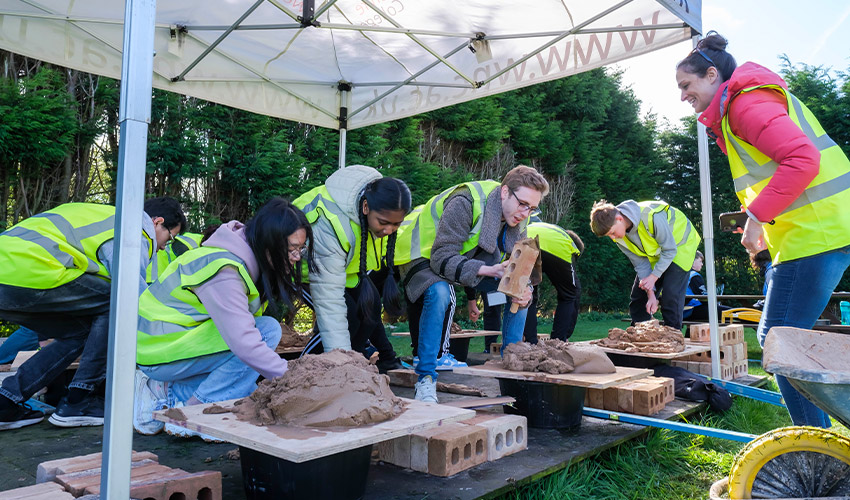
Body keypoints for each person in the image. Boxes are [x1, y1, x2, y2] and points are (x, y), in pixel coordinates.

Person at [675, 33, 850, 427]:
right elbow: (776, 173)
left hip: (815, 236)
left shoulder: (745, 105)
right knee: (786, 338)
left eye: (686, 85)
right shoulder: (743, 104)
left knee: (779, 341)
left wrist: (756, 219)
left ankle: (815, 446)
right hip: (818, 233)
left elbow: (801, 161)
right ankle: (818, 438)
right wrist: (757, 222)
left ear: (712, 74)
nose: (682, 95)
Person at [0, 197, 185, 430]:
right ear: (157, 222)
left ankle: (6, 400)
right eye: (170, 237)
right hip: (31, 270)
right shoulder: (132, 228)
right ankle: (79, 400)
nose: (163, 246)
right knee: (117, 300)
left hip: (10, 274)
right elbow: (130, 293)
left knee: (78, 333)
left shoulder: (101, 216)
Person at [134, 197, 310, 438]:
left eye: (301, 249)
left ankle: (166, 391)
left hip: (166, 345)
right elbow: (245, 343)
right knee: (264, 333)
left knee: (258, 347)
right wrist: (296, 380)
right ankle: (194, 411)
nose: (297, 257)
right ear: (270, 242)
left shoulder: (233, 256)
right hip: (158, 351)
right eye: (291, 249)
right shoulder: (224, 270)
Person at [395, 165, 549, 402]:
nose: (525, 213)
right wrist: (489, 270)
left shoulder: (516, 217)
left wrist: (523, 287)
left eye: (532, 208)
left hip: (457, 258)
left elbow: (515, 265)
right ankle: (425, 379)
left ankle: (513, 369)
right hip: (420, 255)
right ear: (505, 192)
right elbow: (441, 257)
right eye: (522, 204)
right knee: (440, 292)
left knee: (520, 292)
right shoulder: (465, 201)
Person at [293, 165, 410, 374]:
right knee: (347, 316)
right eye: (383, 223)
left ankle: (351, 367)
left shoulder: (376, 212)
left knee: (370, 307)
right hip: (305, 273)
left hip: (345, 272)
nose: (388, 230)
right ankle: (304, 374)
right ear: (365, 207)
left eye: (396, 224)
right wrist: (343, 365)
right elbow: (330, 303)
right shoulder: (329, 222)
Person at [469, 216, 584, 349]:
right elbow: (573, 291)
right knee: (570, 294)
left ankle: (530, 343)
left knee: (526, 292)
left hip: (525, 243)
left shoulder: (548, 227)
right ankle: (558, 342)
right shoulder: (571, 245)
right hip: (555, 247)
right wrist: (566, 331)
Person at [590, 199, 700, 331]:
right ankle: (639, 335)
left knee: (671, 296)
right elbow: (641, 263)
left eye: (612, 232)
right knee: (638, 296)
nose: (613, 238)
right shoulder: (620, 238)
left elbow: (670, 250)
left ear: (619, 218)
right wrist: (651, 294)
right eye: (609, 235)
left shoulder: (651, 216)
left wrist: (653, 277)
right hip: (658, 253)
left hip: (681, 245)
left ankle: (673, 337)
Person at [683, 250, 730, 321]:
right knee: (731, 312)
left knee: (721, 312)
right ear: (692, 261)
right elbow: (704, 297)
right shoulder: (694, 276)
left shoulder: (683, 274)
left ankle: (690, 332)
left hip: (682, 310)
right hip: (690, 310)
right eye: (700, 261)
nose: (702, 264)